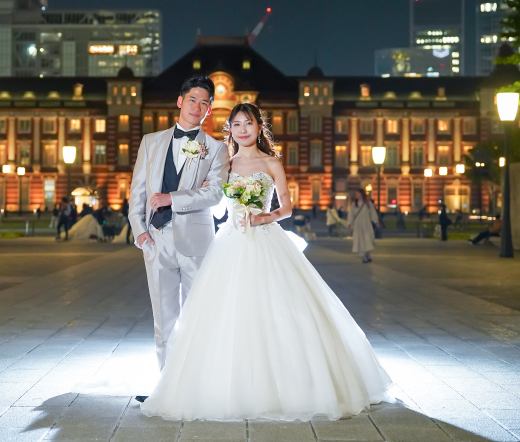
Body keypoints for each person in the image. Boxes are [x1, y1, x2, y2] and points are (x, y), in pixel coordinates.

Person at [140, 102, 392, 421]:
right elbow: (214, 208)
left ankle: (294, 383)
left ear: (260, 128)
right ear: (228, 129)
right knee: (227, 312)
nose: (242, 129)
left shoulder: (272, 163)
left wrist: (265, 216)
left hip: (266, 238)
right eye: (236, 124)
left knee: (284, 307)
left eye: (249, 123)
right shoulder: (223, 165)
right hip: (230, 241)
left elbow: (286, 207)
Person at [128, 74, 230, 377]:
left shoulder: (216, 149)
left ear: (209, 110)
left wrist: (171, 198)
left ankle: (198, 381)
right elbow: (138, 192)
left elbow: (214, 194)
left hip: (196, 241)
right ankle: (166, 385)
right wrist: (140, 232)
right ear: (180, 102)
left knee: (199, 315)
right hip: (156, 239)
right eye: (192, 100)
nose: (197, 106)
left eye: (204, 102)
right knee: (164, 316)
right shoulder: (151, 142)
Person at [347, 188, 379, 263]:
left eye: (358, 193)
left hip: (366, 223)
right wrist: (349, 224)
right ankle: (364, 256)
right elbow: (351, 215)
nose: (356, 195)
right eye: (356, 194)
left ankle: (367, 254)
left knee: (368, 239)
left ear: (361, 194)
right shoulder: (354, 204)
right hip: (358, 225)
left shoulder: (368, 203)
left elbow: (372, 213)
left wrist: (376, 221)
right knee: (360, 240)